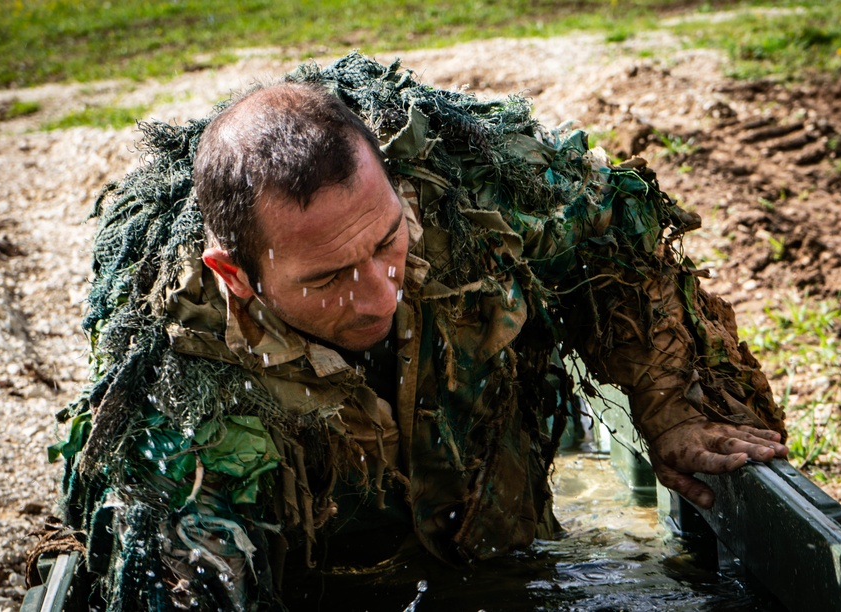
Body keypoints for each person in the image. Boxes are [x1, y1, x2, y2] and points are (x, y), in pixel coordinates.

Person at [44, 53, 787, 611]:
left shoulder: (473, 194)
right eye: (328, 278)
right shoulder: (178, 386)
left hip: (506, 556)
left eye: (387, 243)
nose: (379, 295)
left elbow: (617, 241)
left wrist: (675, 403)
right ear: (236, 276)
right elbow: (186, 583)